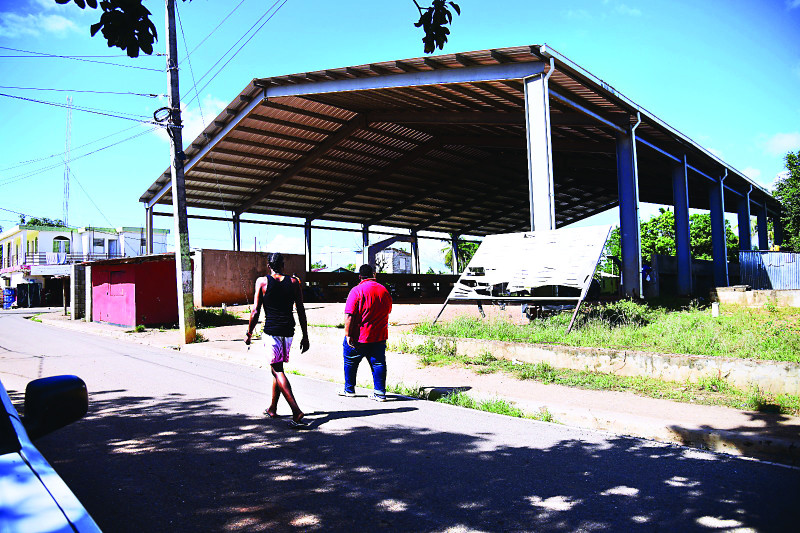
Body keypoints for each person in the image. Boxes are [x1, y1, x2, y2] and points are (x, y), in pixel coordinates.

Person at [245, 253, 310, 428]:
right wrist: (305, 335)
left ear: (268, 266)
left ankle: (296, 411)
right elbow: (301, 310)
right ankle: (272, 408)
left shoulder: (262, 282)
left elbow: (255, 311)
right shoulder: (295, 282)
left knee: (277, 369)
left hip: (272, 331)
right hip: (289, 330)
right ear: (283, 265)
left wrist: (249, 333)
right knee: (277, 367)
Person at [341, 264, 393, 401]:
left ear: (360, 276)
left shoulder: (356, 291)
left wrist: (348, 334)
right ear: (373, 274)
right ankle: (380, 393)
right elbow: (388, 310)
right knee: (378, 363)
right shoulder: (384, 291)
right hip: (379, 336)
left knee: (350, 361)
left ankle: (349, 389)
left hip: (359, 337)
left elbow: (349, 316)